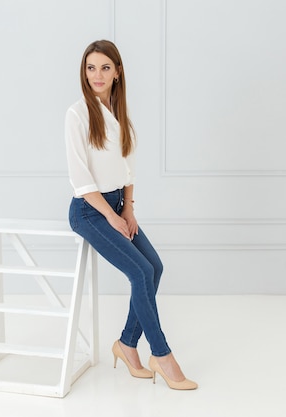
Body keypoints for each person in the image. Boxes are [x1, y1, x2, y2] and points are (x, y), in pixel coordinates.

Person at [64, 40, 197, 390]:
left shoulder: (120, 116)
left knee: (155, 268)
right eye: (91, 67)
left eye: (105, 67)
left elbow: (128, 169)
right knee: (140, 272)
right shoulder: (77, 114)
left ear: (118, 72)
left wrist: (129, 209)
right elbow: (81, 180)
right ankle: (162, 355)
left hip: (118, 205)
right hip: (89, 211)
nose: (97, 75)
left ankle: (125, 344)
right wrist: (111, 215)